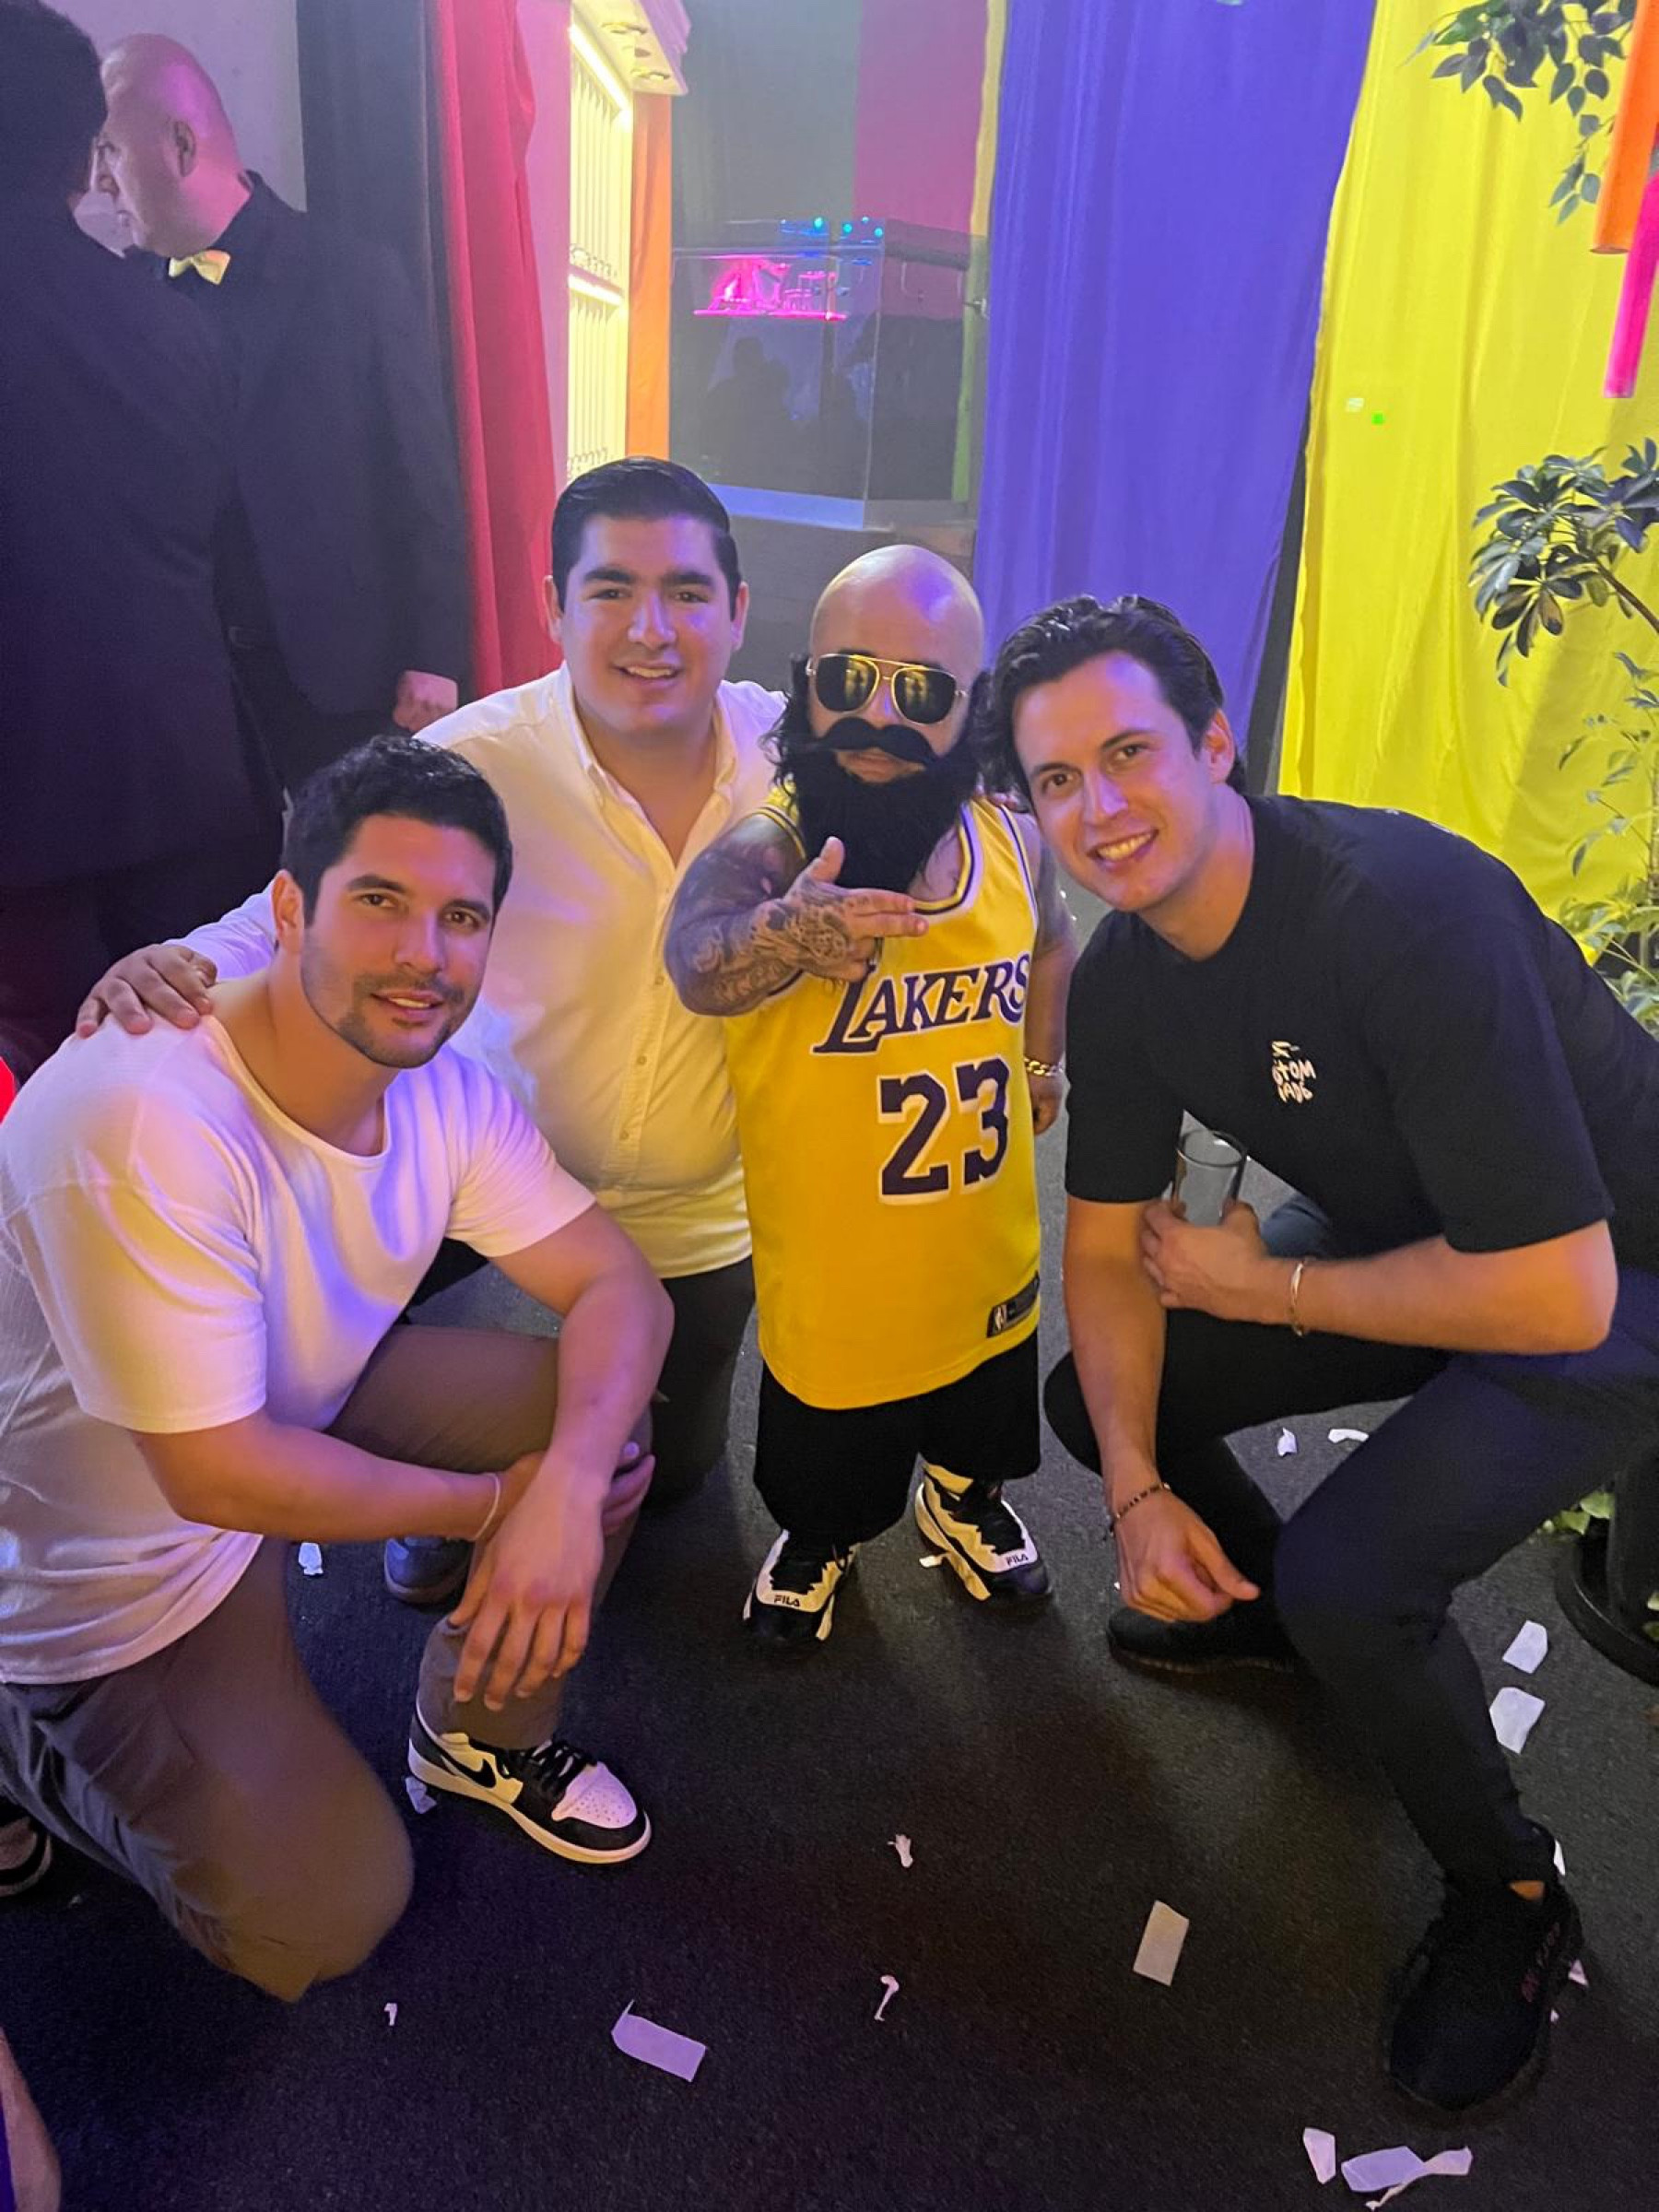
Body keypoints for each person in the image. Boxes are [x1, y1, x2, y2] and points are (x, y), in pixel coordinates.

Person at [978, 591, 1659, 2116]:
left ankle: (1512, 1894)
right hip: (1406, 1233)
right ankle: (1285, 1625)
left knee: (1355, 1574)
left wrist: (1275, 1289)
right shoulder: (1129, 976)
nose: (1100, 808)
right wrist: (1138, 1493)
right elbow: (1105, 1254)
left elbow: (1557, 1296)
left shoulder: (1398, 914)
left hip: (1613, 1279)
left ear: (1217, 745)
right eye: (1057, 780)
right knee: (1105, 1400)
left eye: (1130, 753)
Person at [0, 737, 672, 2000]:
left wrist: (569, 1484)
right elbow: (216, 1477)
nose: (424, 952)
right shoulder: (143, 1115)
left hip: (282, 1402)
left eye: (460, 918)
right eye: (380, 900)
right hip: (121, 1565)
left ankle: (479, 1736)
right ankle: (15, 1744)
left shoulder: (443, 1093)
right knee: (323, 1919)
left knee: (603, 1430)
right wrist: (501, 1508)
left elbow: (618, 1288)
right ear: (290, 909)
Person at [75, 459, 782, 1606]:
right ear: (552, 608)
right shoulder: (472, 758)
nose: (651, 630)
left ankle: (535, 1463)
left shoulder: (794, 762)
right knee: (333, 1343)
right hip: (483, 1160)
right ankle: (426, 1480)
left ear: (739, 612)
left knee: (666, 1476)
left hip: (699, 1198)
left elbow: (954, 795)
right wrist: (177, 961)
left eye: (687, 593)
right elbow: (296, 906)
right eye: (610, 590)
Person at [665, 547, 1077, 1649]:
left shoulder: (1013, 839)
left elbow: (1055, 944)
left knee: (981, 1422)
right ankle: (821, 1538)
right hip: (836, 1281)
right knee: (828, 1464)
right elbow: (693, 957)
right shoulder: (776, 846)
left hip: (984, 1253)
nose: (879, 718)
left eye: (923, 692)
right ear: (807, 687)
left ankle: (963, 1501)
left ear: (972, 709)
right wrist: (784, 934)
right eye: (849, 681)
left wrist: (1043, 1062)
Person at [0, 1, 278, 1083]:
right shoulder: (174, 319)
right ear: (85, 156)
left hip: (23, 825)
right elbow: (218, 539)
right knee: (187, 1089)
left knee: (40, 1116)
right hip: (185, 777)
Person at [93, 35, 466, 789]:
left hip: (344, 679)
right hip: (192, 689)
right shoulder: (119, 300)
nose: (99, 181)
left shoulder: (353, 279)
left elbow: (421, 482)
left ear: (181, 146)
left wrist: (435, 655)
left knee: (355, 858)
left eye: (109, 152)